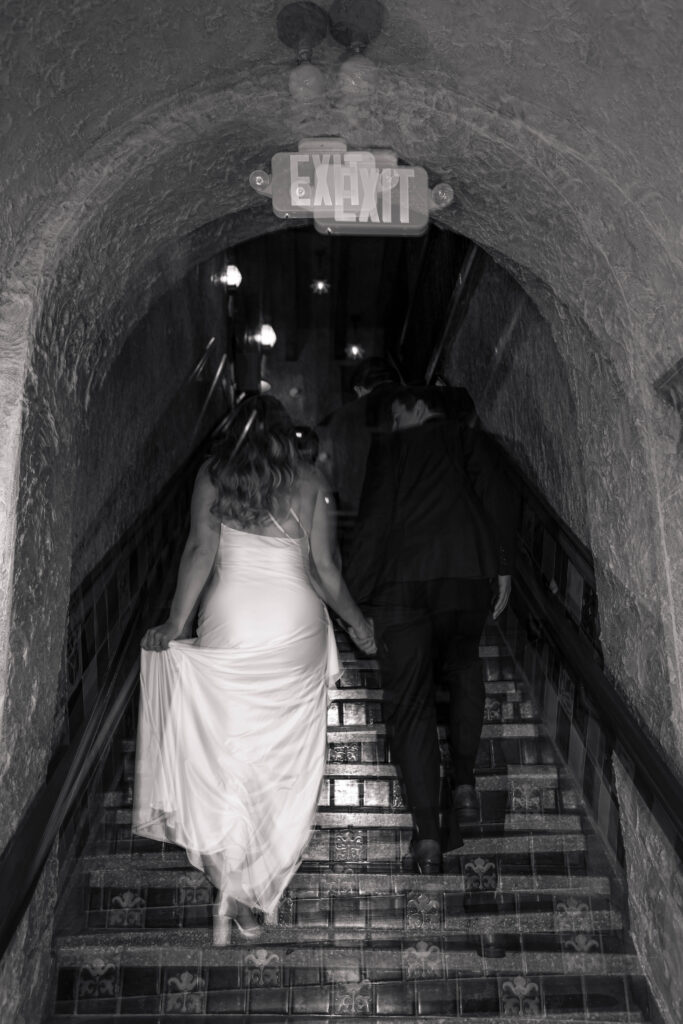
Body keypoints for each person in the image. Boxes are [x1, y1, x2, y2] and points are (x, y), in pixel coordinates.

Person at [132, 396, 376, 944]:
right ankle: (251, 885)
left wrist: (175, 624)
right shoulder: (310, 480)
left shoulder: (213, 476)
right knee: (280, 763)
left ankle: (229, 877)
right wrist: (358, 625)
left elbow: (199, 549)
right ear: (283, 434)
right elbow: (326, 571)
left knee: (228, 753)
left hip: (232, 620)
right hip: (294, 628)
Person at [345, 385, 516, 874]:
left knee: (412, 703)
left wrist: (352, 597)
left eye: (398, 416)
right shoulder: (470, 441)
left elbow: (373, 523)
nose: (395, 427)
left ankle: (427, 836)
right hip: (464, 578)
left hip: (400, 587)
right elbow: (498, 499)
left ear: (421, 408)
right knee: (464, 668)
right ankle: (463, 782)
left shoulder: (391, 449)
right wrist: (502, 566)